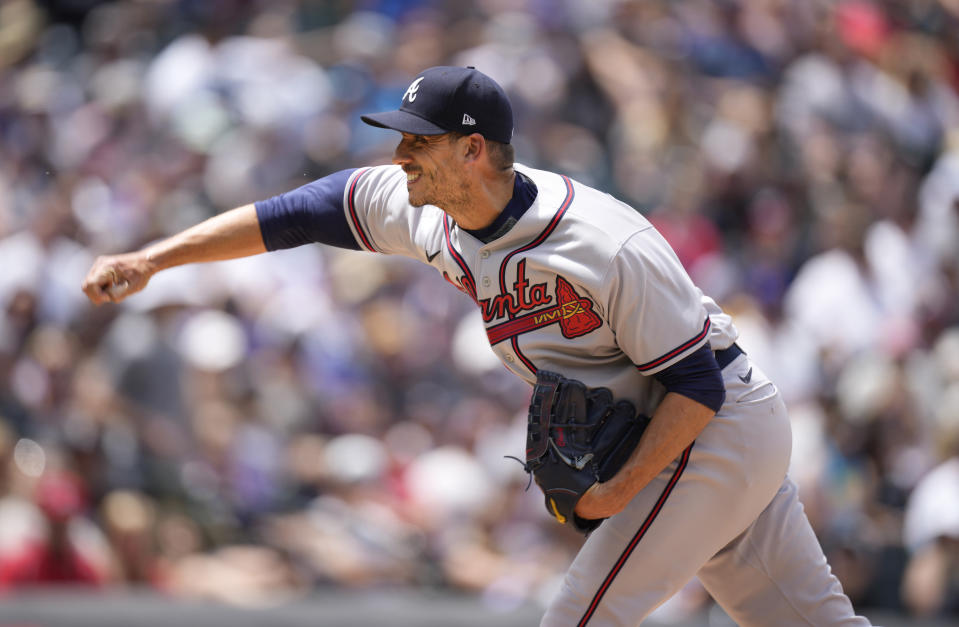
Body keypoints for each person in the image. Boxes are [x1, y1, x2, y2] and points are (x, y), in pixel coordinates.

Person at [82, 66, 870, 626]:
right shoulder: (427, 208)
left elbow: (697, 384)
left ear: (472, 151)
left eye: (417, 143)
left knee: (579, 615)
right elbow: (301, 211)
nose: (399, 159)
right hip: (690, 431)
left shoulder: (603, 241)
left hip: (714, 426)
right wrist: (153, 259)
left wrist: (614, 491)